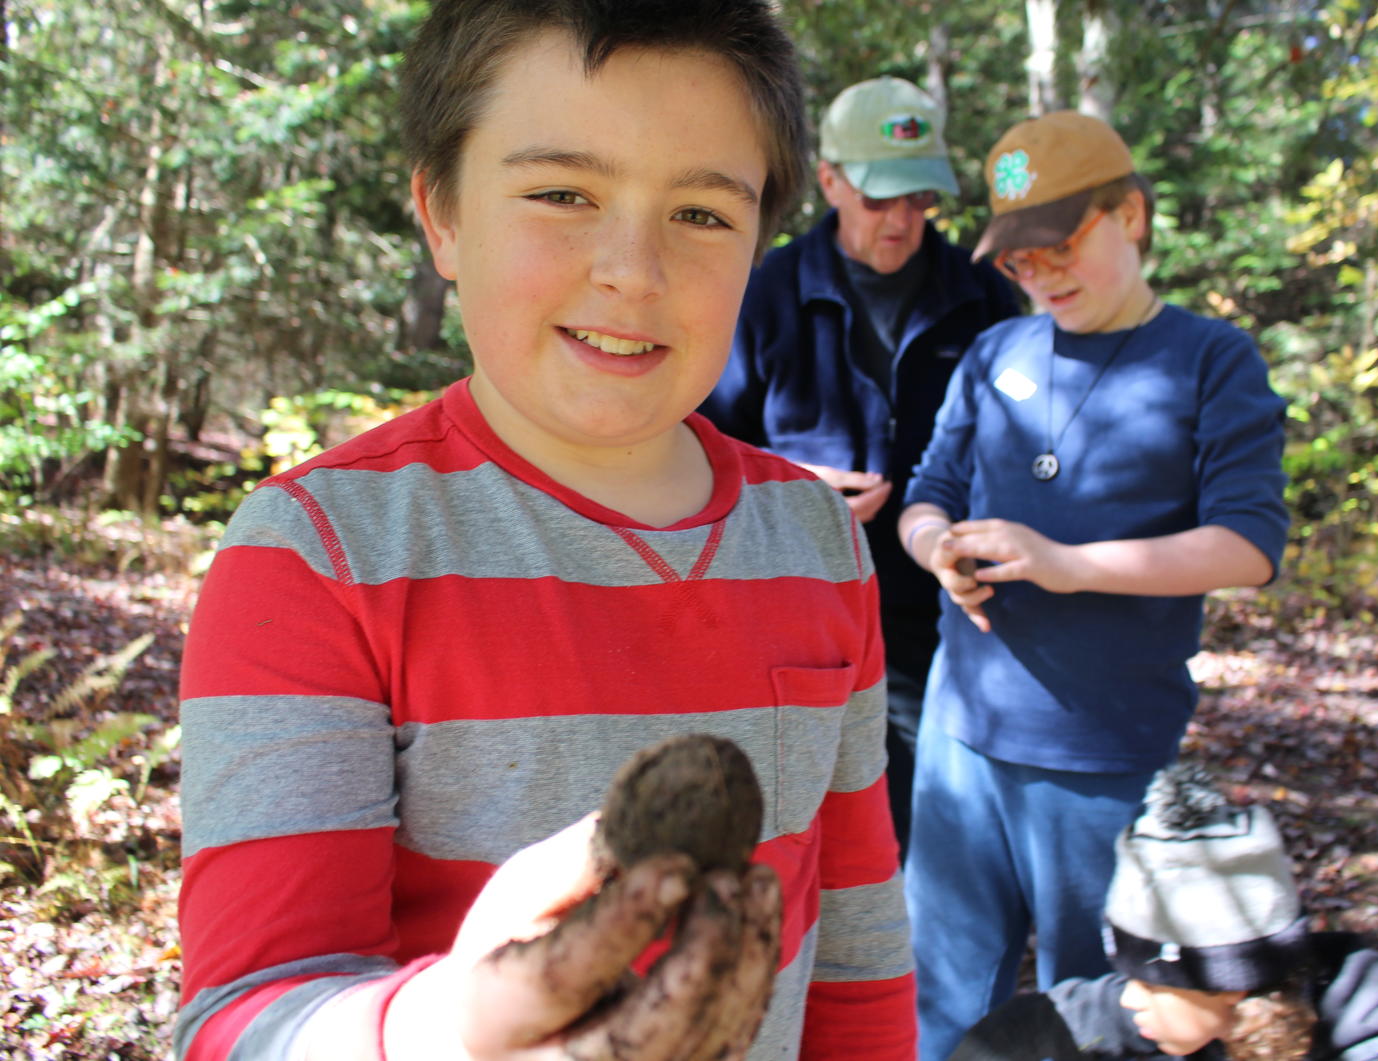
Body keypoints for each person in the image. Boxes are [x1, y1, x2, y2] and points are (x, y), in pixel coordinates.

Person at [173, 3, 915, 1059]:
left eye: (701, 214)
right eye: (562, 193)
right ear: (442, 216)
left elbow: (853, 945)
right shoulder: (316, 556)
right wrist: (447, 1024)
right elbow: (246, 1016)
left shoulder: (816, 541)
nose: (631, 270)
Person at [896, 110, 1291, 1059]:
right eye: (1019, 261)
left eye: (1060, 245)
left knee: (1102, 1007)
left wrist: (1071, 567)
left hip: (1102, 749)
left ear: (1133, 214)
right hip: (961, 737)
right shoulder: (995, 356)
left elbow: (1249, 544)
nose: (1040, 275)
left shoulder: (1210, 360)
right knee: (940, 992)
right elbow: (925, 495)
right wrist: (936, 545)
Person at [701, 76, 1020, 854]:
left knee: (909, 820)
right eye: (881, 199)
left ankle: (894, 970)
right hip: (785, 600)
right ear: (831, 181)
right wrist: (789, 486)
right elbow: (694, 447)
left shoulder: (982, 296)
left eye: (919, 198)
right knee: (785, 815)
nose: (902, 220)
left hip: (933, 612)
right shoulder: (763, 291)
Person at [947, 764, 1378, 1061]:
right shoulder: (1171, 1009)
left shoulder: (1353, 1015)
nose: (1130, 998)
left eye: (1154, 984)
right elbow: (1020, 1033)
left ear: (1230, 985)